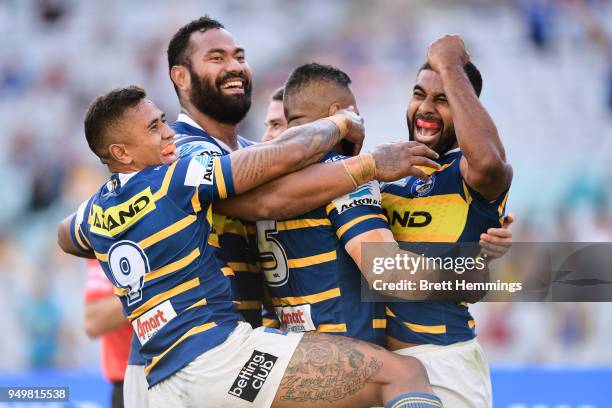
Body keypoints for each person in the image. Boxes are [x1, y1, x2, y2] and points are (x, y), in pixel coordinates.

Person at [58, 85, 447, 407]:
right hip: (219, 359)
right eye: (153, 128)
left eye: (163, 121)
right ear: (121, 153)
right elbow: (282, 156)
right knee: (404, 374)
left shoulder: (93, 212)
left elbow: (65, 235)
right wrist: (347, 129)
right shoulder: (176, 179)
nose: (168, 133)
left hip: (160, 382)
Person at [382, 35, 513, 407]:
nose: (425, 108)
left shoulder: (469, 174)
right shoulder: (389, 173)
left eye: (442, 100)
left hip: (443, 362)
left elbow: (489, 162)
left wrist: (450, 65)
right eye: (418, 94)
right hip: (380, 367)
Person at [83, 259, 132, 408]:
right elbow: (93, 321)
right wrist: (152, 288)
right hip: (127, 382)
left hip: (185, 370)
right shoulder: (104, 246)